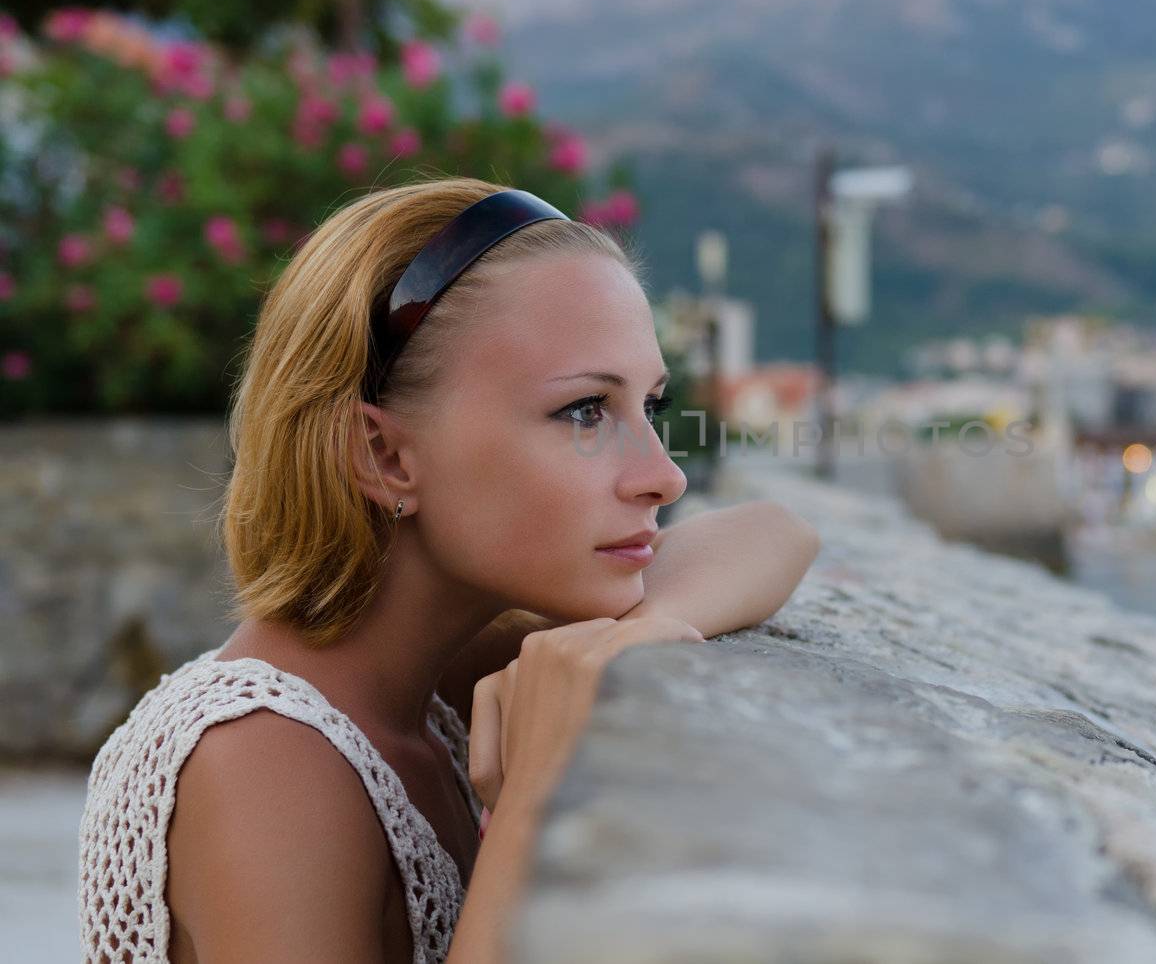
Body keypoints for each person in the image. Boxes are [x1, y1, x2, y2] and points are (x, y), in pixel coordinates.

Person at [77, 178, 821, 962]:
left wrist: (657, 626)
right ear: (384, 455)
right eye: (585, 411)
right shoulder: (263, 759)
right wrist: (530, 805)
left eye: (652, 407)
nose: (664, 476)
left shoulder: (430, 682)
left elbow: (777, 533)